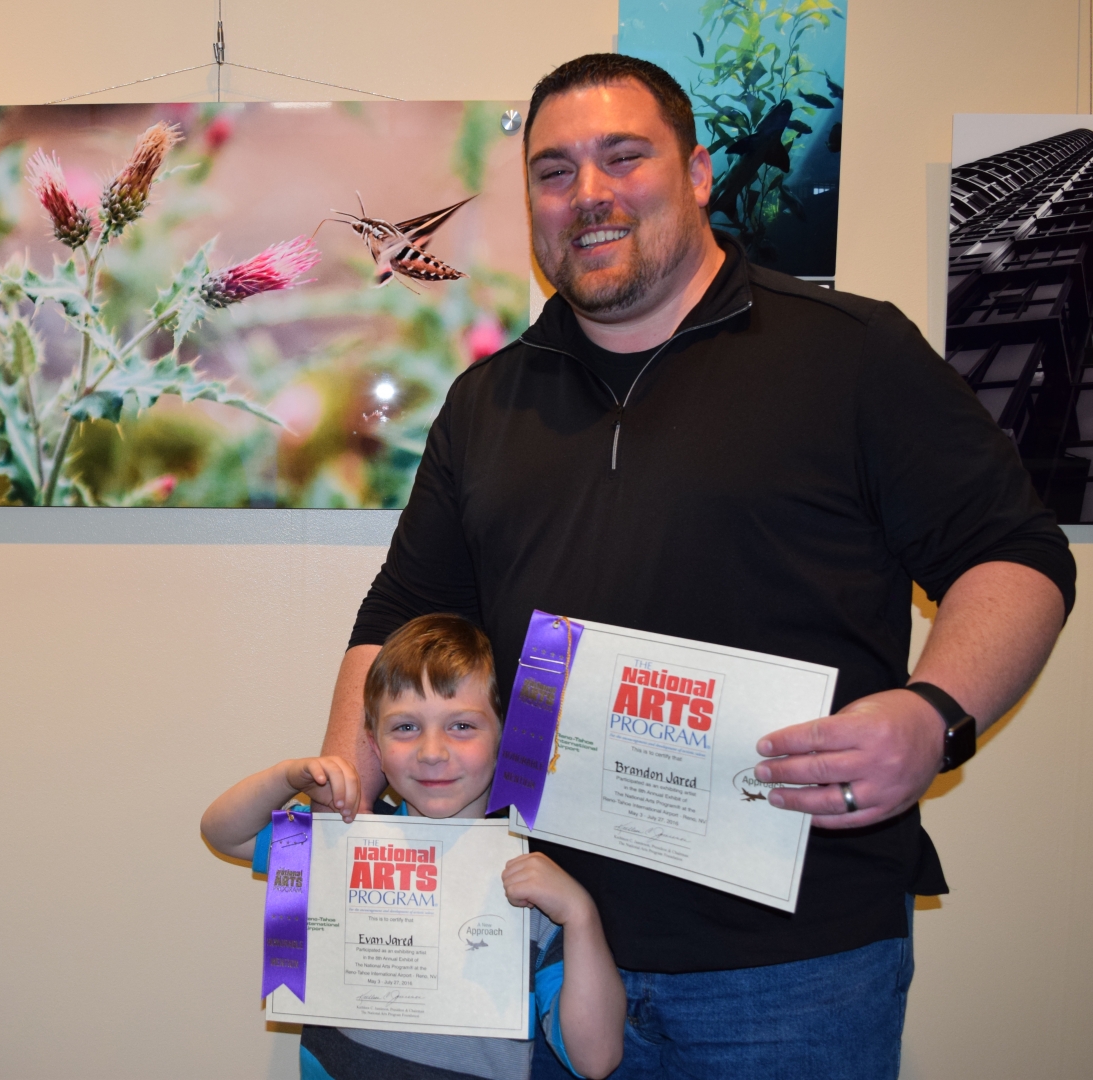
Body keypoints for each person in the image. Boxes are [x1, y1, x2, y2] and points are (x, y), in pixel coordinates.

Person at [315, 54, 1078, 1079]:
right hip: (532, 948)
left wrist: (933, 714)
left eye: (622, 157)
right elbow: (402, 613)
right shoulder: (486, 403)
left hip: (790, 970)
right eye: (553, 171)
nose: (587, 193)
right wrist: (349, 822)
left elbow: (1013, 554)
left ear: (698, 172)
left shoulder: (850, 352)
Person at [202, 613, 626, 1080]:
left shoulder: (532, 886)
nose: (432, 752)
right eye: (405, 727)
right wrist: (287, 778)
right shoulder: (343, 840)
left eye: (461, 726)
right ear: (374, 745)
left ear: (505, 738)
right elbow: (225, 833)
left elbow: (597, 1059)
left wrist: (580, 914)